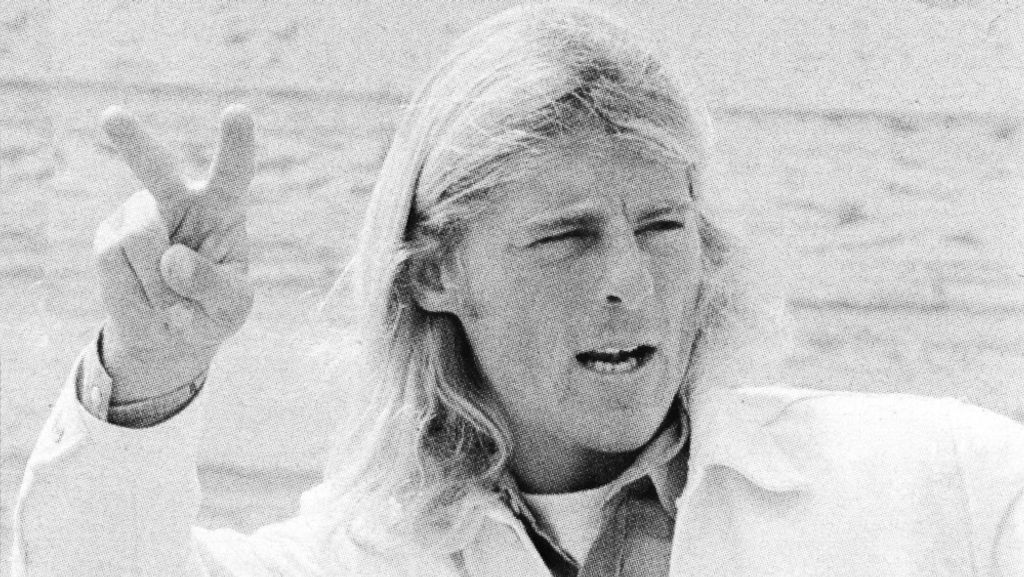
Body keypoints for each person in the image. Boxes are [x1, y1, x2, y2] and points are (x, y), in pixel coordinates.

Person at [11, 4, 1024, 576]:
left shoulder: (947, 481)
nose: (627, 280)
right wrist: (146, 374)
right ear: (435, 271)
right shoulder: (362, 557)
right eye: (565, 236)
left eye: (661, 226)